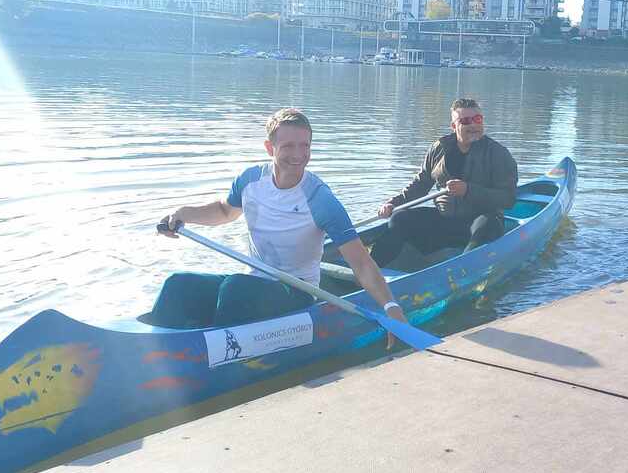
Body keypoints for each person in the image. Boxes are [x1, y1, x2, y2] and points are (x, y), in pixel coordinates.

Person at [153, 107, 408, 344]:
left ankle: (215, 352)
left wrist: (391, 307)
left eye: (304, 146)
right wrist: (182, 213)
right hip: (254, 282)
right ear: (269, 147)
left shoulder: (320, 199)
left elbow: (361, 263)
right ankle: (158, 348)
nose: (298, 155)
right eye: (288, 146)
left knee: (234, 289)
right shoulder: (249, 180)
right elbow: (224, 211)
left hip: (298, 291)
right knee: (178, 284)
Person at [369, 97, 517, 269]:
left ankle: (463, 271)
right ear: (454, 126)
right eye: (465, 121)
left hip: (480, 221)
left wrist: (468, 190)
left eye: (477, 119)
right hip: (445, 221)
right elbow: (420, 185)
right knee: (399, 218)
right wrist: (392, 204)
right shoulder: (439, 149)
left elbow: (508, 199)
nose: (473, 125)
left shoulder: (498, 154)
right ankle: (368, 270)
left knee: (488, 225)